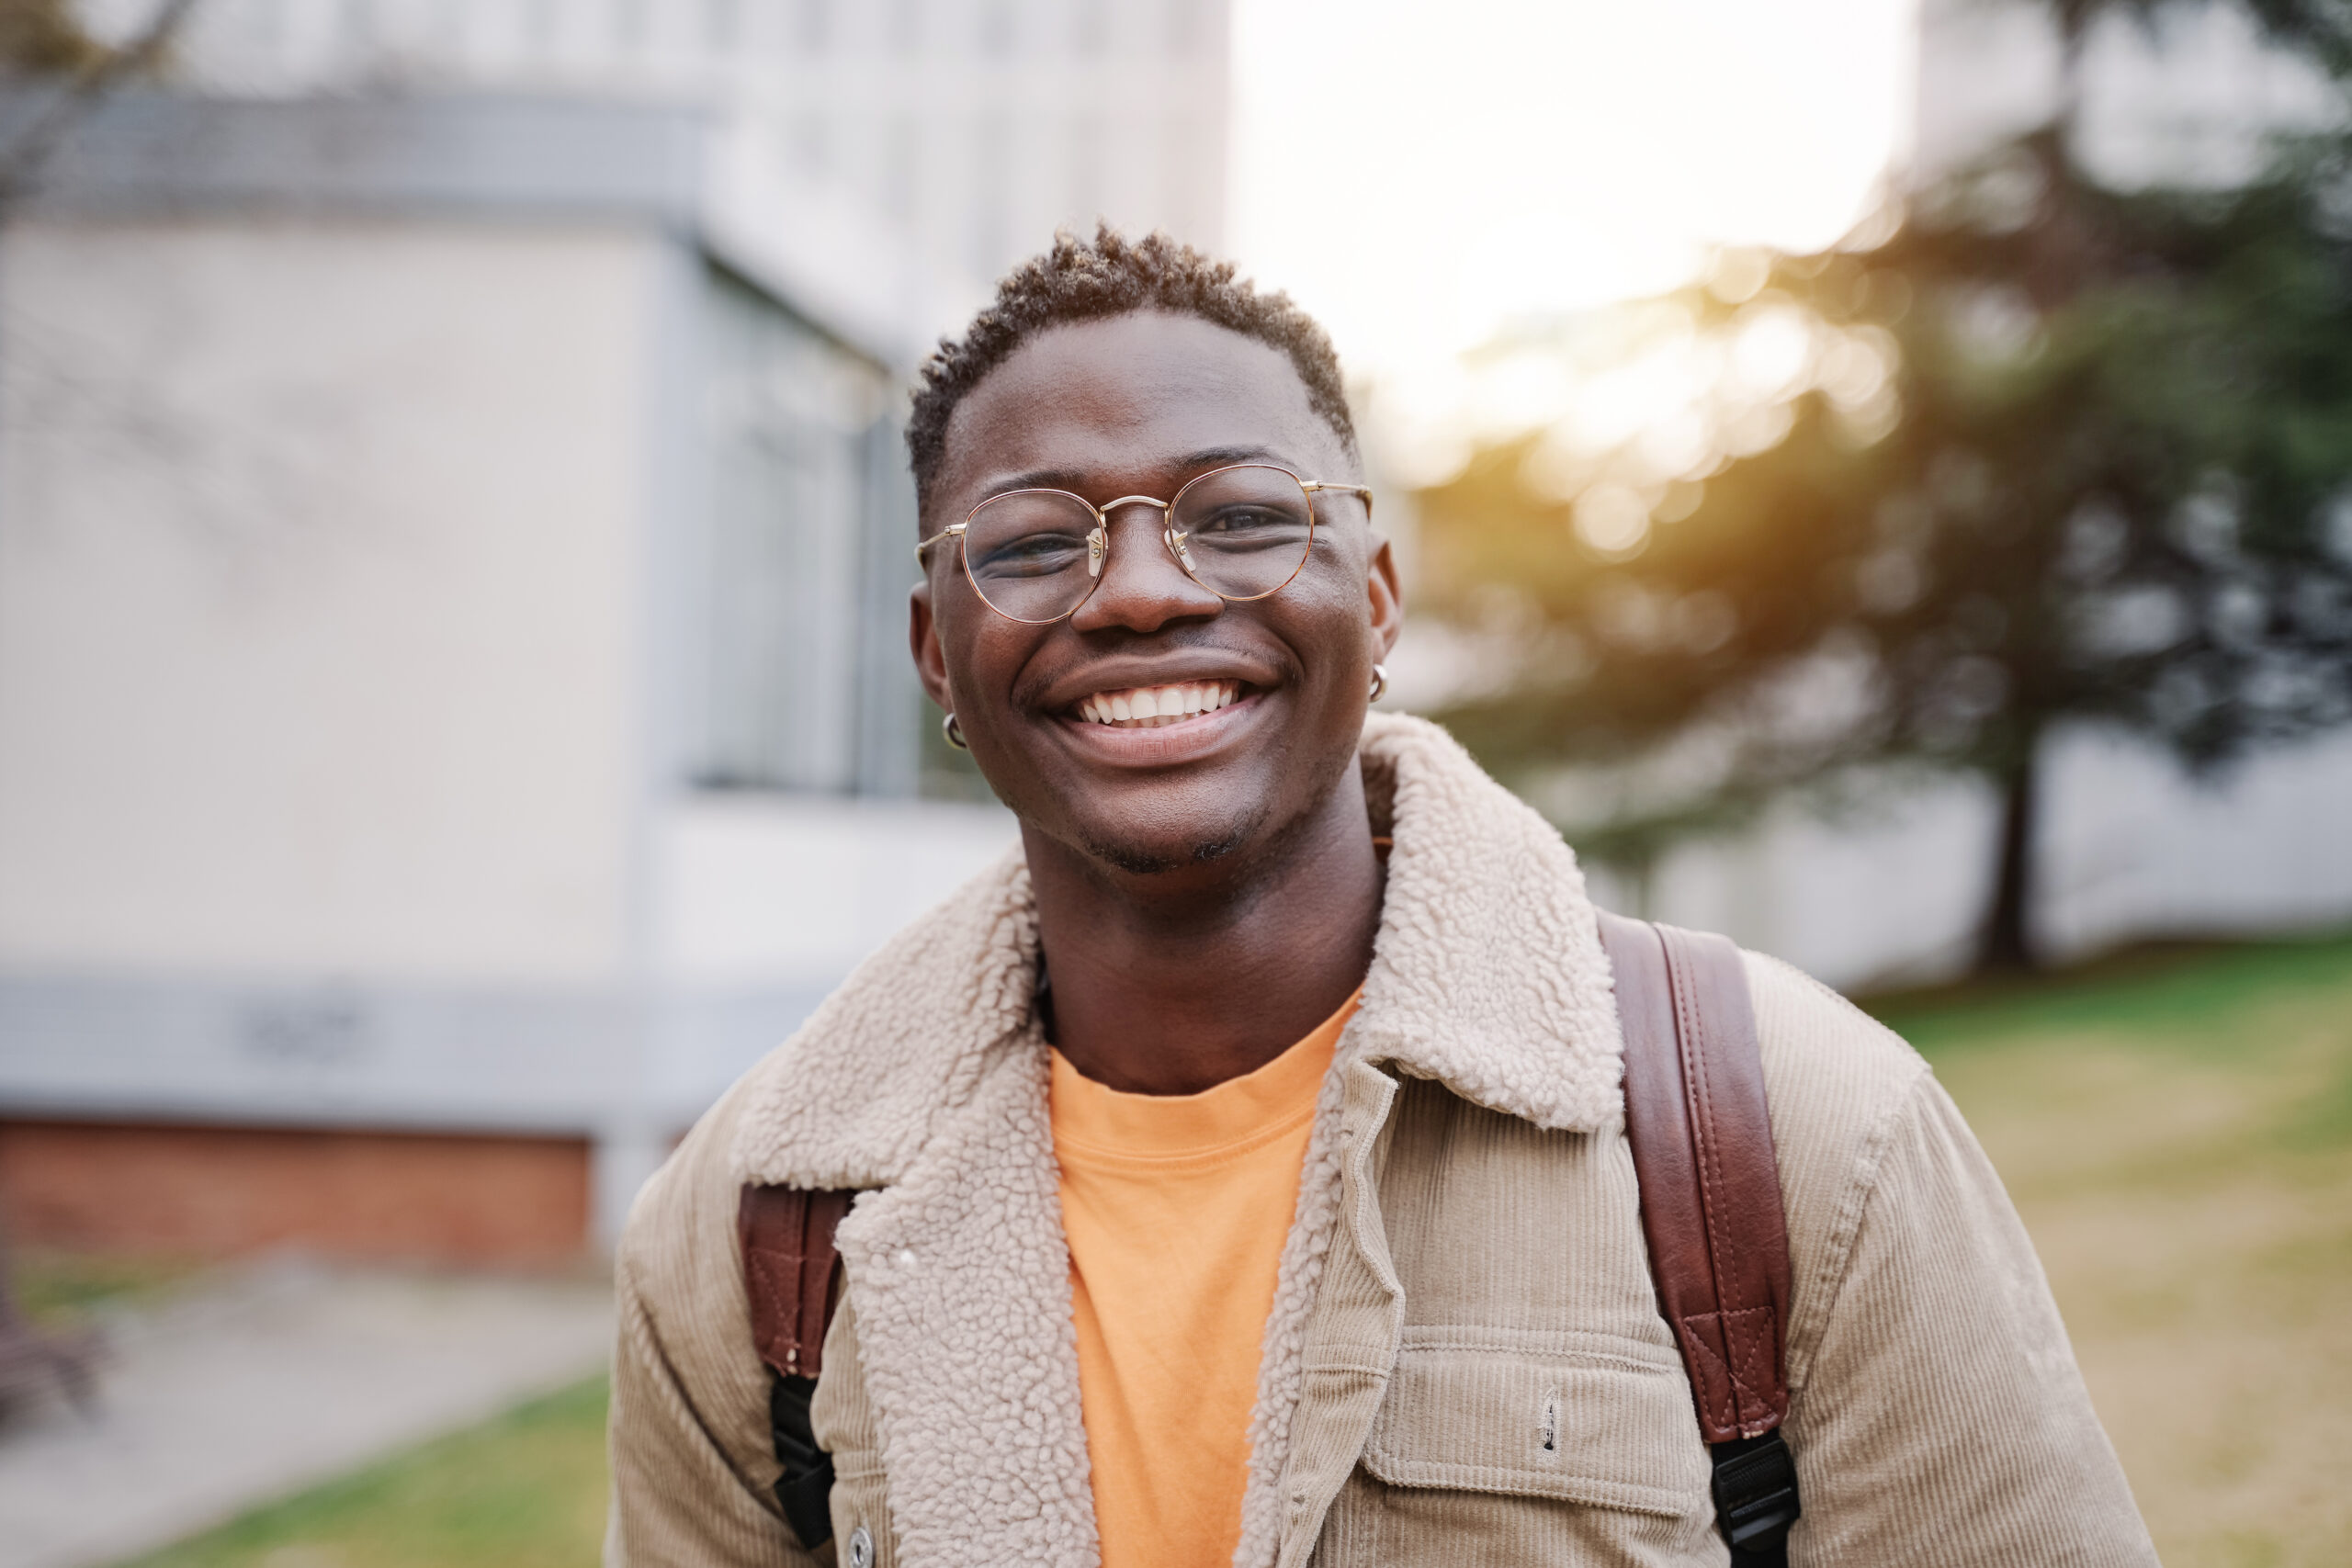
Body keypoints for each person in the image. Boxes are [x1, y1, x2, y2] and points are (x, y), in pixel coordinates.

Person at [605, 228, 2156, 1568]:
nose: (1143, 589)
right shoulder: (755, 1228)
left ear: (1378, 594)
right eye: (1030, 542)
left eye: (1242, 516)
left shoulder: (1799, 1130)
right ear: (939, 652)